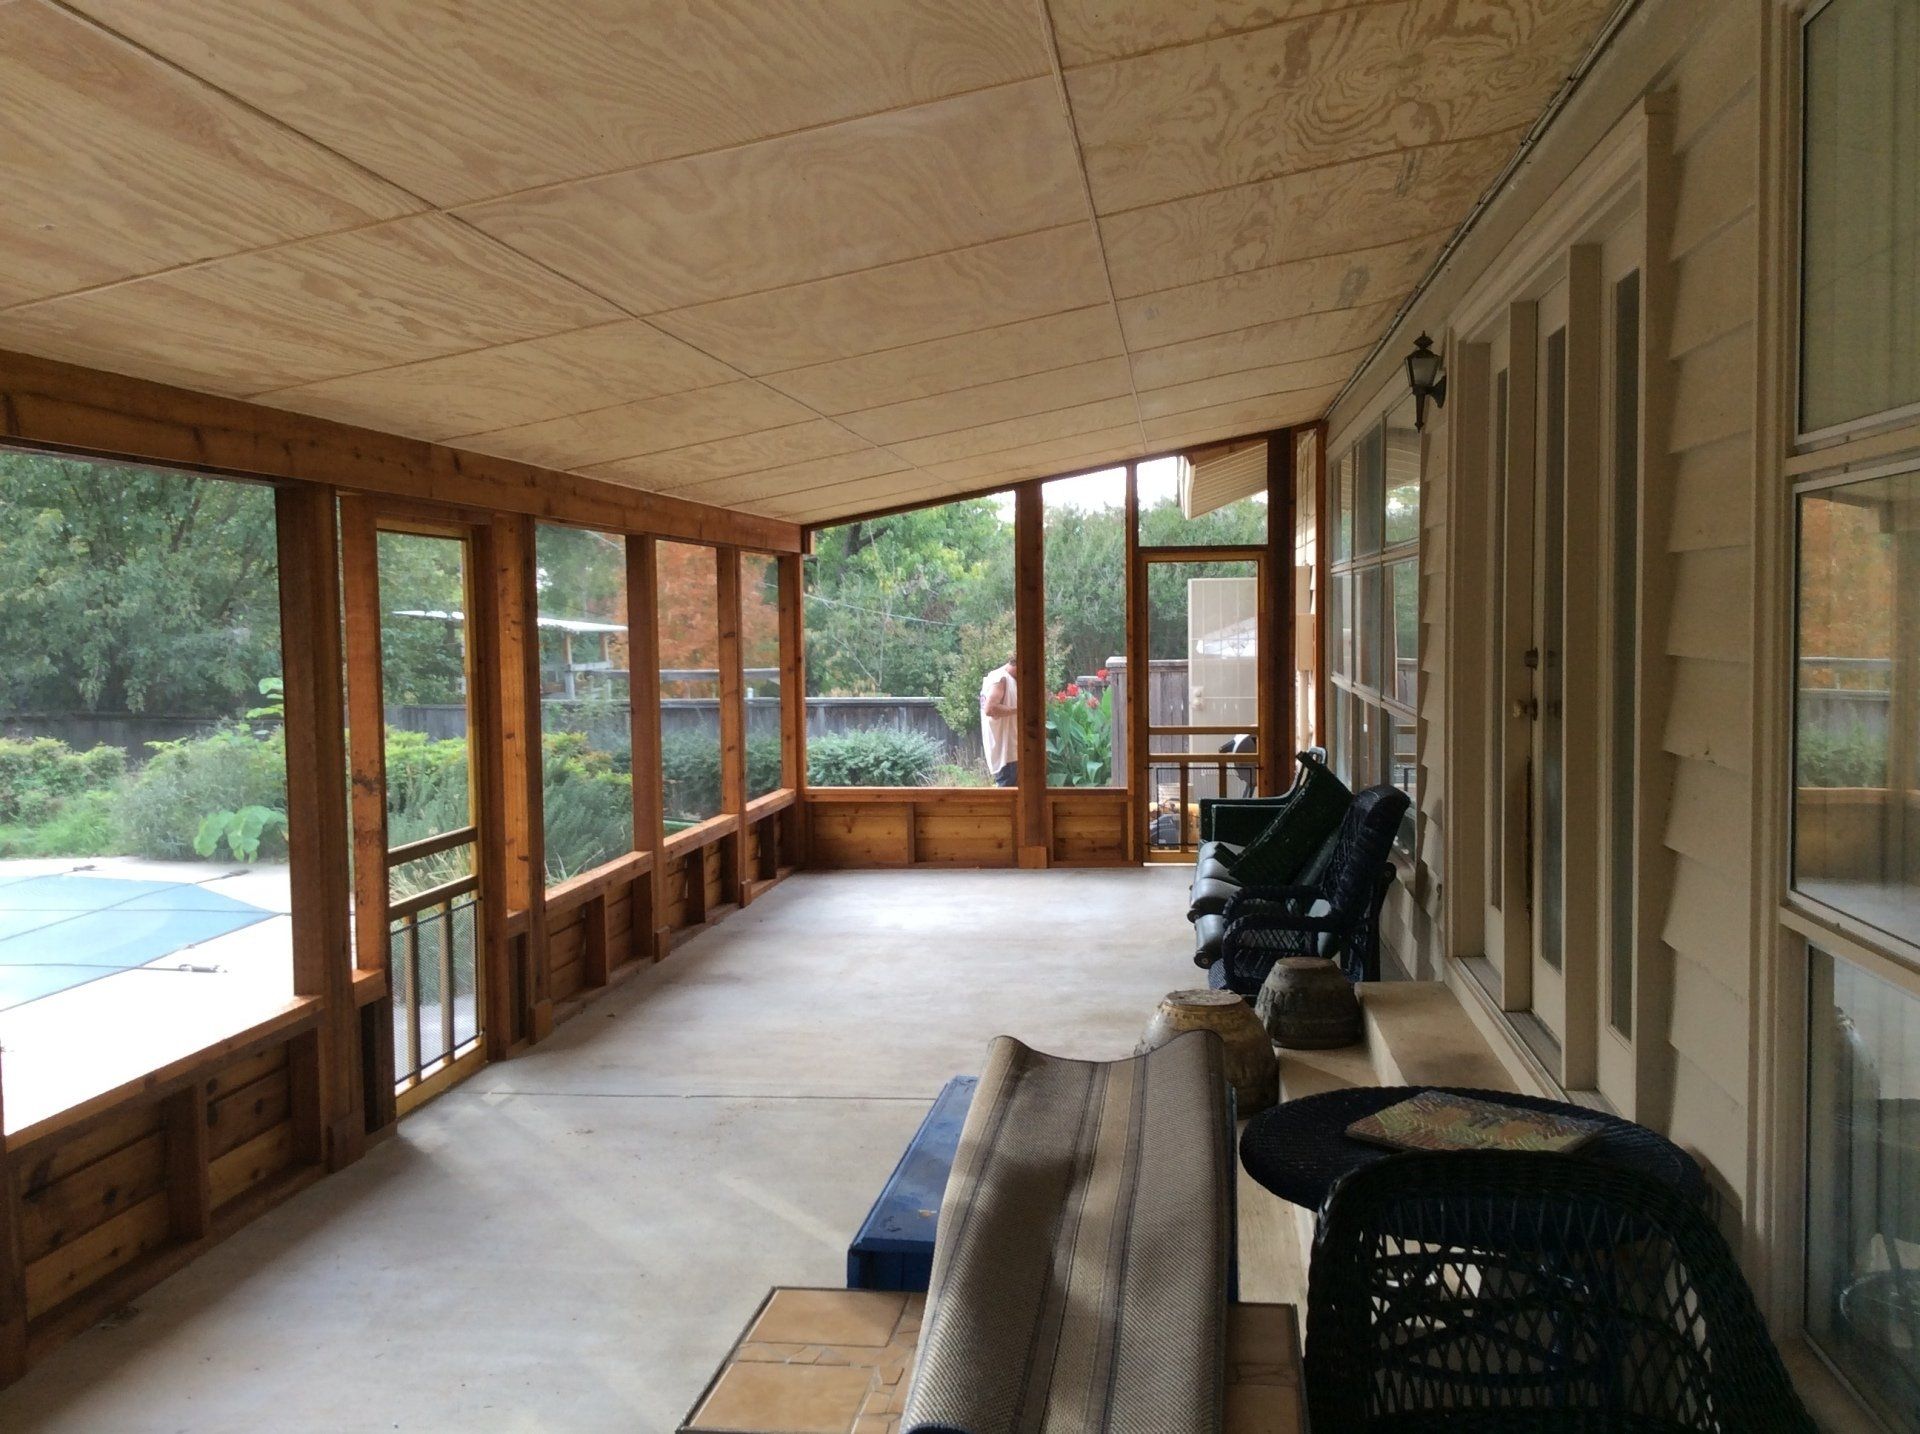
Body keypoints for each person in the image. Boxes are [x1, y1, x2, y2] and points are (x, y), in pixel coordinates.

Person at [979, 655, 1018, 787]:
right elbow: (990, 709)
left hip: (1011, 754)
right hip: (1007, 755)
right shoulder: (1000, 679)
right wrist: (1021, 710)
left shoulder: (1008, 679)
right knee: (1010, 800)